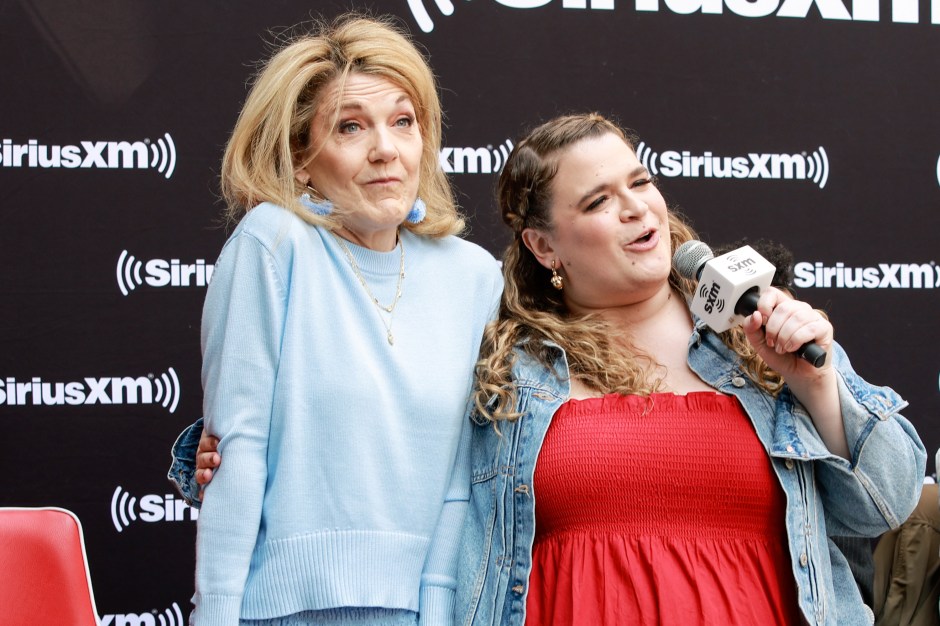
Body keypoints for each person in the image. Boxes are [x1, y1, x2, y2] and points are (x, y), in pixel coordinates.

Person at [454, 113, 926, 626]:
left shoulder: (754, 330)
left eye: (640, 182)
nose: (636, 207)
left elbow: (888, 503)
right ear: (544, 247)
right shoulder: (509, 368)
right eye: (599, 201)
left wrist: (816, 384)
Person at [171, 14, 503, 626]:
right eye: (351, 127)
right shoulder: (272, 243)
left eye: (404, 122)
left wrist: (437, 610)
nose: (386, 149)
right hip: (284, 610)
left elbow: (465, 471)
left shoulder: (475, 275)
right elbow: (236, 451)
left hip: (429, 609)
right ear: (300, 159)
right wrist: (214, 613)